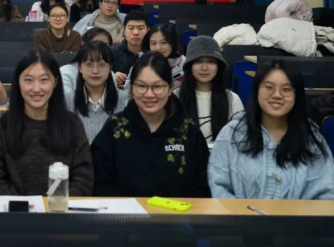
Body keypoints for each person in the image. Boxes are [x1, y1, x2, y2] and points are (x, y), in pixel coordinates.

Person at [209, 59, 334, 199]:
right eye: (269, 87)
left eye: (286, 89)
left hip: (299, 214)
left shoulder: (311, 137)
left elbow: (326, 192)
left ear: (296, 95)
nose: (277, 95)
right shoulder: (232, 134)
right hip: (239, 214)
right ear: (256, 90)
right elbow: (218, 187)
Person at [91, 52, 211, 198]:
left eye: (158, 86)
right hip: (124, 211)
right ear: (132, 87)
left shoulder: (188, 132)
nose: (149, 94)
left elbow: (202, 186)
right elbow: (100, 181)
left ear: (170, 88)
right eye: (141, 86)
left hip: (179, 211)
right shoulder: (115, 128)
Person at [0, 49, 93, 196]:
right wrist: (24, 206)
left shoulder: (72, 125)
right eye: (28, 80)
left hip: (61, 208)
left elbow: (83, 178)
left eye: (44, 80)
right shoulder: (1, 126)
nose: (36, 88)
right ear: (18, 82)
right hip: (14, 209)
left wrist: (57, 203)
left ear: (55, 82)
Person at [175, 36, 244, 142]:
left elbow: (241, 138)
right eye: (198, 61)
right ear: (189, 66)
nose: (204, 68)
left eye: (211, 61)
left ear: (218, 66)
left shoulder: (232, 99)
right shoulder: (175, 97)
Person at [65, 41, 128, 143]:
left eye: (102, 65)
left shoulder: (125, 100)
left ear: (110, 67)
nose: (95, 71)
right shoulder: (66, 101)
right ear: (80, 67)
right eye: (89, 64)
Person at [123, 23, 187, 91]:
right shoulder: (140, 62)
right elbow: (128, 91)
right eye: (153, 43)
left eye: (163, 42)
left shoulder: (185, 64)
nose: (158, 48)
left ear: (172, 43)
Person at [61, 27, 113, 94]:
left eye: (105, 45)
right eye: (95, 44)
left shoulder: (109, 74)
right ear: (83, 45)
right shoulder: (66, 73)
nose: (100, 49)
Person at [111, 10, 149, 88]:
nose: (136, 32)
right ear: (124, 31)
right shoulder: (112, 53)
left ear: (148, 30)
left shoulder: (154, 53)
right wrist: (112, 77)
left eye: (140, 28)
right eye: (131, 28)